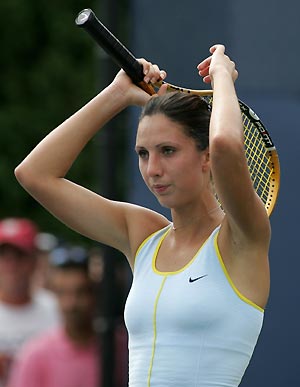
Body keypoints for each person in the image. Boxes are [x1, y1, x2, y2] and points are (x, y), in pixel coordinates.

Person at [14, 44, 271, 386]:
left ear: (206, 157)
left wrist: (223, 78)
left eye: (168, 151)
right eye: (143, 153)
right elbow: (34, 174)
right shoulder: (144, 235)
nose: (153, 169)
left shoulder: (242, 237)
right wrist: (117, 94)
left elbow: (225, 143)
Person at [7, 245, 128, 387]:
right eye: (63, 293)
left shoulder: (122, 347)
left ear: (95, 295)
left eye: (80, 293)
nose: (71, 304)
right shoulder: (35, 354)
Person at [0, 218, 60, 386]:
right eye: (3, 256)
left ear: (34, 261)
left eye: (19, 256)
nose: (11, 265)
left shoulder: (55, 307)